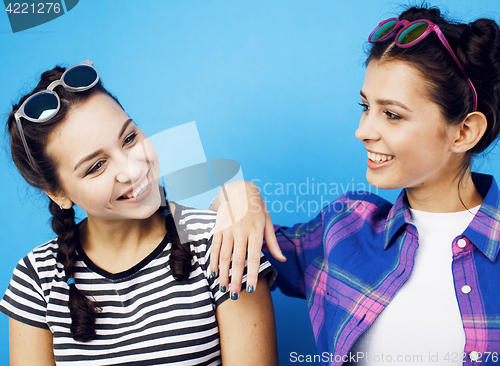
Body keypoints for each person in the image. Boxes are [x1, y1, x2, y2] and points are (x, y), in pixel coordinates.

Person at [210, 5, 500, 366]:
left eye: (392, 114)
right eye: (365, 107)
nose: (363, 131)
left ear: (464, 132)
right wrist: (239, 195)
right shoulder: (344, 228)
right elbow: (225, 248)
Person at [0, 60, 278, 366]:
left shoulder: (222, 240)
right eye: (96, 166)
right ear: (58, 193)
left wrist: (242, 192)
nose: (132, 169)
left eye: (129, 138)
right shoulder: (36, 280)